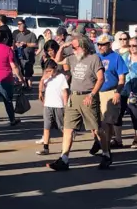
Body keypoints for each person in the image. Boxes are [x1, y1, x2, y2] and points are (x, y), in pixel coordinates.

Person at [49, 33, 104, 171]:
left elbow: (101, 79)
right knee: (68, 128)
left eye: (75, 47)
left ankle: (106, 154)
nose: (73, 50)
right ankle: (64, 159)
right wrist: (62, 46)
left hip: (88, 97)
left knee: (97, 129)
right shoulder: (72, 58)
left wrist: (92, 94)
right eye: (72, 48)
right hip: (74, 97)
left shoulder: (94, 59)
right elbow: (57, 60)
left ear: (84, 46)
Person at [94, 33, 127, 166]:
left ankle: (106, 152)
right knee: (96, 124)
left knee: (106, 123)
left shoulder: (116, 58)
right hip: (96, 93)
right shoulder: (95, 58)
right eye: (99, 45)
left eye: (104, 44)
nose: (101, 47)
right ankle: (101, 144)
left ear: (110, 44)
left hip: (110, 92)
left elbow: (122, 79)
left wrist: (118, 92)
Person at [0, 26, 27, 127]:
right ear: (5, 39)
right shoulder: (8, 50)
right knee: (8, 101)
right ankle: (12, 120)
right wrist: (21, 79)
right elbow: (14, 66)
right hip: (5, 79)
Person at [36, 59, 67, 156]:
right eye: (47, 71)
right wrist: (42, 80)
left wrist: (65, 105)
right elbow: (41, 88)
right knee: (46, 127)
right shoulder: (46, 77)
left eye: (50, 71)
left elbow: (64, 92)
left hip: (59, 105)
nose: (48, 73)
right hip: (48, 105)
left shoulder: (61, 77)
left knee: (62, 127)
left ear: (55, 68)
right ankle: (45, 148)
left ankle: (65, 148)